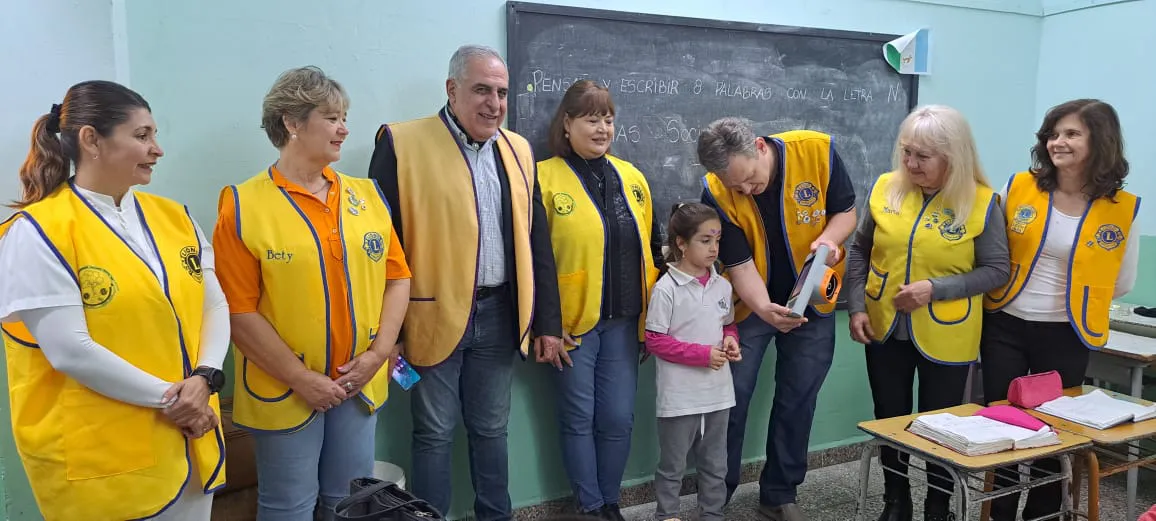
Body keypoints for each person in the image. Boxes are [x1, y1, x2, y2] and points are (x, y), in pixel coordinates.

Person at [0, 80, 228, 520]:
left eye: (154, 135)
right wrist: (178, 401)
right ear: (91, 140)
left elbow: (213, 304)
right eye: (142, 135)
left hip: (191, 436)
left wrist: (204, 378)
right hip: (104, 455)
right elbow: (70, 351)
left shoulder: (175, 218)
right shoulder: (38, 232)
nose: (157, 149)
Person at [366, 44, 563, 521]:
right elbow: (382, 250)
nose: (494, 104)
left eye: (502, 93)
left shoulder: (518, 151)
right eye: (481, 90)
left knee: (492, 429)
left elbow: (536, 238)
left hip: (500, 315)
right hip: (428, 314)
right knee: (433, 432)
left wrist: (547, 322)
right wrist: (388, 334)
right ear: (452, 90)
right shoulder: (401, 143)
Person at [213, 66, 411, 521]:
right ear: (291, 122)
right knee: (289, 505)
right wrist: (302, 379)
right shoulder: (243, 205)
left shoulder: (368, 197)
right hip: (285, 388)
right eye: (332, 118)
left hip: (357, 382)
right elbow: (238, 311)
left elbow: (398, 278)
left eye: (344, 118)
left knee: (348, 502)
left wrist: (378, 354)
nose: (344, 129)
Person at [845, 105, 1009, 521]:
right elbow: (860, 251)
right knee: (889, 418)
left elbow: (996, 270)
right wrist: (857, 307)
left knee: (942, 426)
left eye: (923, 156)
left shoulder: (982, 202)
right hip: (884, 327)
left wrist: (935, 289)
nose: (911, 163)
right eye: (906, 152)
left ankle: (938, 506)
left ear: (953, 157)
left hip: (948, 333)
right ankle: (895, 501)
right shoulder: (886, 188)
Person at [983, 99, 1141, 521]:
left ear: (1100, 141)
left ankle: (1043, 514)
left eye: (1072, 133)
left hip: (1066, 331)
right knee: (1002, 423)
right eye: (1053, 134)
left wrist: (1077, 297)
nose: (1058, 142)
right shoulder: (1019, 186)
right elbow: (992, 252)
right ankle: (998, 513)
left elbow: (1122, 281)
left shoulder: (1122, 207)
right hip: (1005, 322)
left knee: (1053, 430)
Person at [698, 117, 857, 521]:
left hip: (813, 304)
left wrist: (829, 240)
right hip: (750, 306)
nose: (746, 191)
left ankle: (779, 493)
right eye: (737, 187)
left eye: (750, 179)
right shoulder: (715, 191)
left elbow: (846, 212)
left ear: (759, 146)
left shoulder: (817, 151)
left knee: (798, 396)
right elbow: (739, 263)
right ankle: (716, 497)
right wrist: (765, 308)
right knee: (731, 397)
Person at [536, 79, 664, 520]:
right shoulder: (543, 178)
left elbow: (653, 250)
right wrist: (547, 324)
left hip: (626, 324)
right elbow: (535, 261)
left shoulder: (632, 178)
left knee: (617, 419)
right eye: (591, 119)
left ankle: (610, 503)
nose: (602, 128)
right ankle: (589, 507)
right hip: (572, 326)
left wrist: (654, 322)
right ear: (567, 124)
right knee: (578, 418)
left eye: (608, 119)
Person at [645, 202, 742, 521]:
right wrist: (702, 355)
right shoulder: (666, 289)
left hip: (718, 394)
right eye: (705, 240)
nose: (714, 248)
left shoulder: (723, 285)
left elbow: (727, 324)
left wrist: (731, 340)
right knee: (672, 465)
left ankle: (712, 513)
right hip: (679, 398)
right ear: (682, 244)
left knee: (716, 463)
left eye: (717, 240)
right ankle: (667, 515)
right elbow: (655, 340)